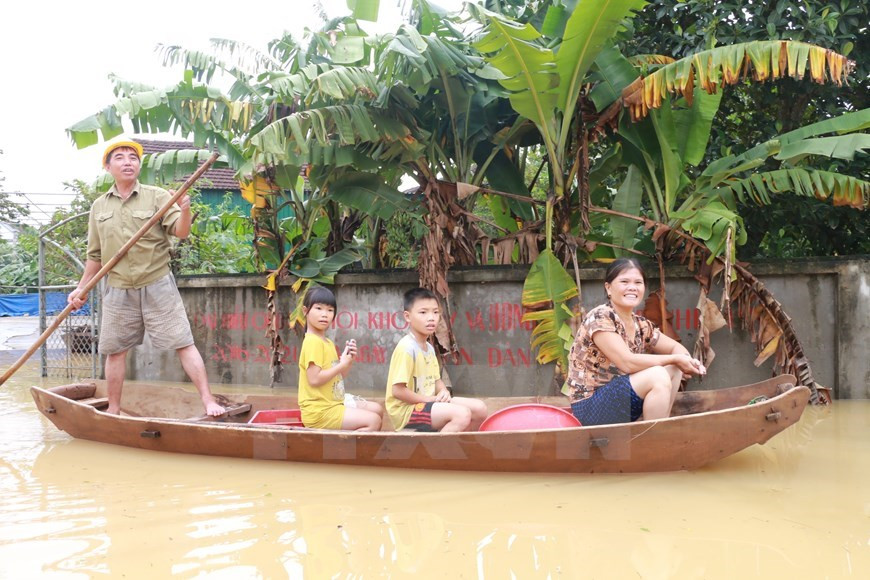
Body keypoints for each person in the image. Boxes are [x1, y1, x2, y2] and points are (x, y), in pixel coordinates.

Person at [67, 139, 225, 416]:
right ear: (108, 166)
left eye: (133, 157)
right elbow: (95, 255)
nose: (128, 162)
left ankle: (209, 401)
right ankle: (114, 409)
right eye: (120, 157)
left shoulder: (158, 196)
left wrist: (185, 209)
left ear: (139, 165)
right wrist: (81, 289)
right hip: (117, 287)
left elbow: (181, 232)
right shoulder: (99, 207)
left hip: (157, 283)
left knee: (183, 342)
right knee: (115, 350)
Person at [566, 258, 706, 426]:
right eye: (624, 281)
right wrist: (674, 359)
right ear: (608, 288)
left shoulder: (640, 324)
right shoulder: (600, 317)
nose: (632, 287)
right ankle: (652, 439)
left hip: (622, 401)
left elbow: (676, 347)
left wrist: (687, 361)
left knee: (674, 369)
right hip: (590, 407)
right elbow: (627, 363)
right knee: (659, 374)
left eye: (638, 282)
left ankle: (660, 427)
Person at [385, 287, 488, 432]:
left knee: (480, 409)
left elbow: (436, 380)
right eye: (423, 312)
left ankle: (461, 446)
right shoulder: (406, 348)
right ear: (407, 317)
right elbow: (397, 391)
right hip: (406, 411)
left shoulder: (428, 348)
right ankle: (439, 453)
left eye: (435, 312)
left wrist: (443, 391)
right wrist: (429, 399)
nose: (431, 318)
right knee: (461, 414)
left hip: (429, 402)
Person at [298, 286, 383, 431]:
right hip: (320, 411)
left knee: (377, 409)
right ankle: (346, 452)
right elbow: (314, 379)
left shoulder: (327, 342)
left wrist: (348, 360)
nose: (324, 314)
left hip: (335, 402)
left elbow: (339, 376)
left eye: (330, 310)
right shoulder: (313, 342)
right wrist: (341, 365)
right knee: (373, 421)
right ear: (305, 311)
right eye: (318, 308)